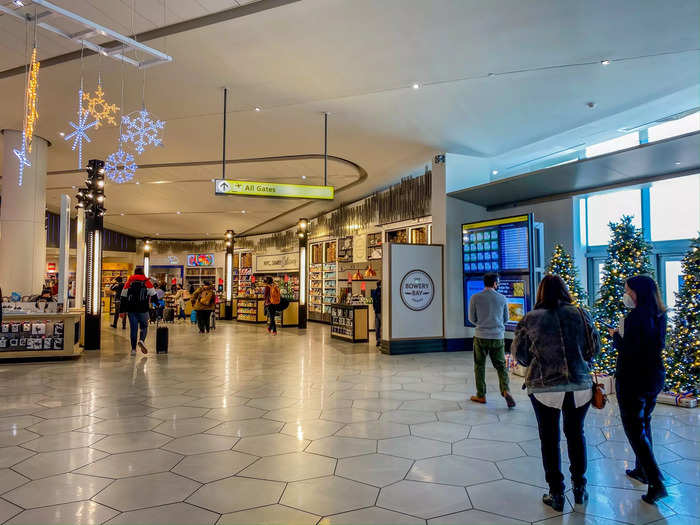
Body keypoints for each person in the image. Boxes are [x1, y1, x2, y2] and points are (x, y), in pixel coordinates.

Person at [513, 275, 600, 512]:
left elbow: (520, 355)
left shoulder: (530, 319)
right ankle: (580, 488)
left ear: (541, 292)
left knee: (549, 439)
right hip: (580, 386)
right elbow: (594, 349)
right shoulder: (581, 314)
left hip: (544, 388)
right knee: (576, 434)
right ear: (565, 290)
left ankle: (556, 493)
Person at [610, 275, 668, 504]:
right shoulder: (660, 314)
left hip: (632, 379)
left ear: (637, 293)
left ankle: (656, 481)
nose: (626, 294)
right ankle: (641, 469)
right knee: (644, 423)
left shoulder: (635, 318)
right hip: (654, 376)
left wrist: (616, 338)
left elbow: (629, 351)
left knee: (634, 429)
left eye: (628, 290)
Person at [468, 272, 515, 407]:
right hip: (497, 337)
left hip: (480, 336)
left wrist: (481, 323)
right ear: (495, 283)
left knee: (479, 366)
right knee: (501, 367)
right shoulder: (502, 298)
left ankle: (481, 395)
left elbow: (472, 318)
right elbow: (506, 318)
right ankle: (506, 390)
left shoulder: (475, 297)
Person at [120, 268, 156, 355]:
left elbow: (123, 297)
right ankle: (141, 340)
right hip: (143, 309)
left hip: (131, 310)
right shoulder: (147, 282)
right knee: (144, 327)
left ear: (134, 273)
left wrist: (122, 310)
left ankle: (133, 349)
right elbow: (154, 295)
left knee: (133, 329)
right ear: (143, 273)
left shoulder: (129, 282)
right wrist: (157, 304)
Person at [371, 281, 382, 347]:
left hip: (376, 311)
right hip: (381, 311)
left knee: (377, 327)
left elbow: (374, 302)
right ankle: (381, 340)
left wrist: (374, 309)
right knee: (381, 327)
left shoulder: (374, 292)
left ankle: (378, 340)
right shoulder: (381, 292)